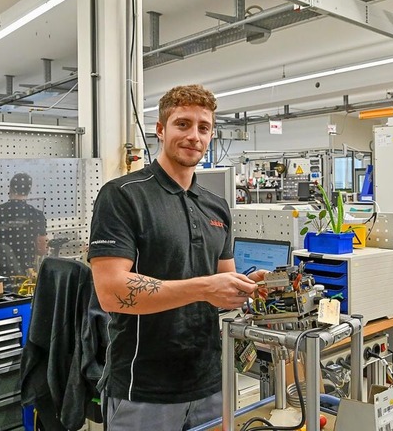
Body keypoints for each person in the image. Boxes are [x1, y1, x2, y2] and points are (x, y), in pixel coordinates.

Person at [88, 84, 266, 430]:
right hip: (143, 389)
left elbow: (223, 287)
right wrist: (204, 288)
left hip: (209, 383)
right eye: (182, 124)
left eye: (204, 127)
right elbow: (110, 291)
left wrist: (253, 290)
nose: (194, 136)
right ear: (160, 129)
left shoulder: (216, 206)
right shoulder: (122, 197)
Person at [0, 172, 48, 277]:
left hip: (1, 271)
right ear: (29, 191)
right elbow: (42, 249)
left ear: (12, 188)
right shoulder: (37, 214)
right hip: (27, 272)